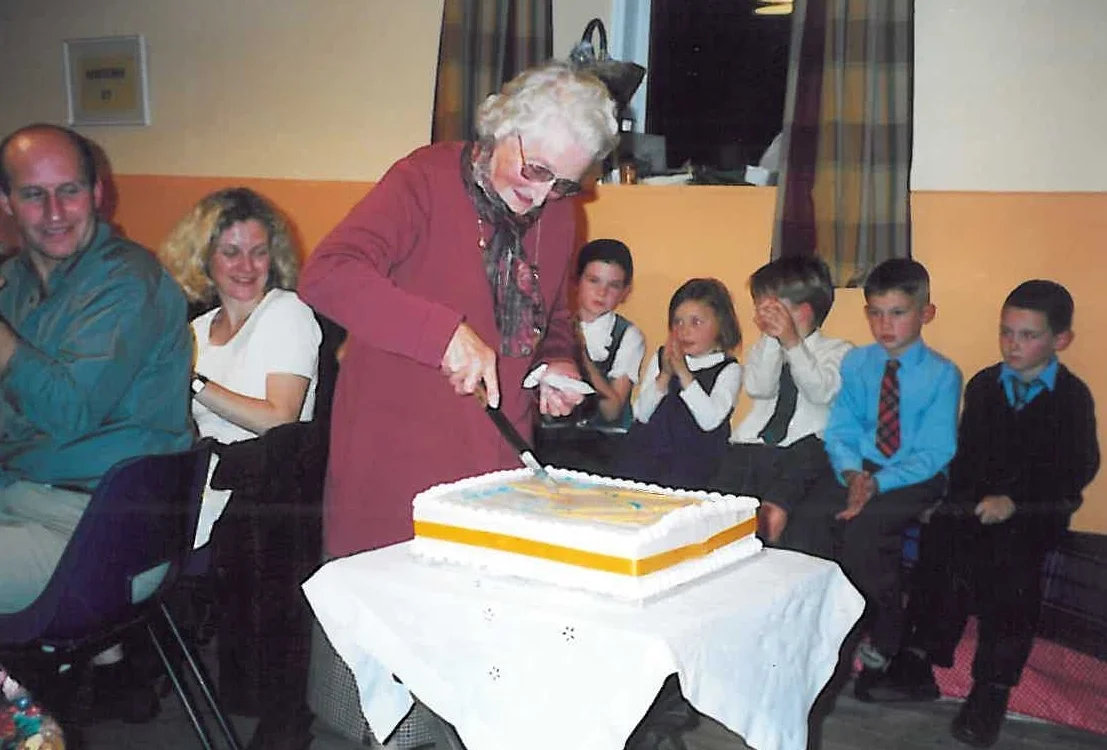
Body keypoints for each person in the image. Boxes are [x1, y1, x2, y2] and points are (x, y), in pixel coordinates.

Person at [298, 61, 619, 560]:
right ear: (504, 128)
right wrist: (442, 334)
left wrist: (557, 361)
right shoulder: (423, 179)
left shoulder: (558, 214)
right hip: (398, 461)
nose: (542, 195)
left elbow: (553, 312)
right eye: (537, 170)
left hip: (500, 461)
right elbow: (327, 274)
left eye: (563, 184)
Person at [0, 123, 192, 719]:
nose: (55, 212)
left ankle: (23, 721)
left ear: (98, 193)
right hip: (24, 499)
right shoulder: (13, 285)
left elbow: (67, 411)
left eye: (70, 191)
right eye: (34, 195)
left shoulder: (127, 281)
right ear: (6, 203)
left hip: (100, 536)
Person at [864, 280, 1099, 748]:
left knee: (1012, 566)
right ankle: (918, 659)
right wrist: (948, 499)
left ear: (1060, 340)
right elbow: (967, 454)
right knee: (941, 540)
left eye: (1028, 335)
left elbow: (1078, 467)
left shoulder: (1071, 397)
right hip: (979, 501)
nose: (1013, 344)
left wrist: (1015, 501)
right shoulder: (986, 385)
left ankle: (992, 685)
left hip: (1036, 509)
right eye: (1006, 332)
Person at [158, 187, 323, 750]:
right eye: (230, 252)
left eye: (258, 251)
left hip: (271, 483)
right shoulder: (196, 331)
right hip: (206, 480)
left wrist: (193, 381)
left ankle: (278, 710)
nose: (246, 266)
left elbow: (279, 418)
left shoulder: (286, 314)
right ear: (204, 258)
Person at [790, 258, 961, 696]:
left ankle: (886, 635)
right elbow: (841, 429)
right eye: (876, 313)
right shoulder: (857, 363)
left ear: (926, 313)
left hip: (914, 475)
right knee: (808, 522)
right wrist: (852, 474)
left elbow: (936, 451)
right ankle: (819, 632)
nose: (885, 325)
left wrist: (877, 484)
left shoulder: (943, 374)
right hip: (858, 466)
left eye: (897, 313)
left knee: (864, 534)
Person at [709, 256, 851, 545]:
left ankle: (772, 521)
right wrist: (773, 341)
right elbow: (758, 388)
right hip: (752, 445)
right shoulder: (765, 347)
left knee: (810, 458)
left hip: (802, 449)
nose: (762, 315)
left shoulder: (839, 351)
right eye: (760, 308)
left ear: (804, 311)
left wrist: (792, 343)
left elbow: (821, 391)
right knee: (716, 508)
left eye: (771, 308)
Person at [615, 277, 743, 490]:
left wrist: (684, 373)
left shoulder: (729, 369)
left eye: (696, 322)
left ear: (721, 325)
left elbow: (710, 420)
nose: (684, 331)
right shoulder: (662, 359)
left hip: (695, 464)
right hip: (647, 457)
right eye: (678, 322)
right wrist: (664, 376)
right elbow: (641, 413)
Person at [535, 238, 645, 474]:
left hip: (604, 447)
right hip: (550, 440)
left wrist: (580, 353)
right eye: (593, 280)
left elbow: (612, 411)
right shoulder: (550, 326)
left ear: (625, 292)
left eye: (613, 285)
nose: (602, 292)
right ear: (575, 281)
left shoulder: (628, 335)